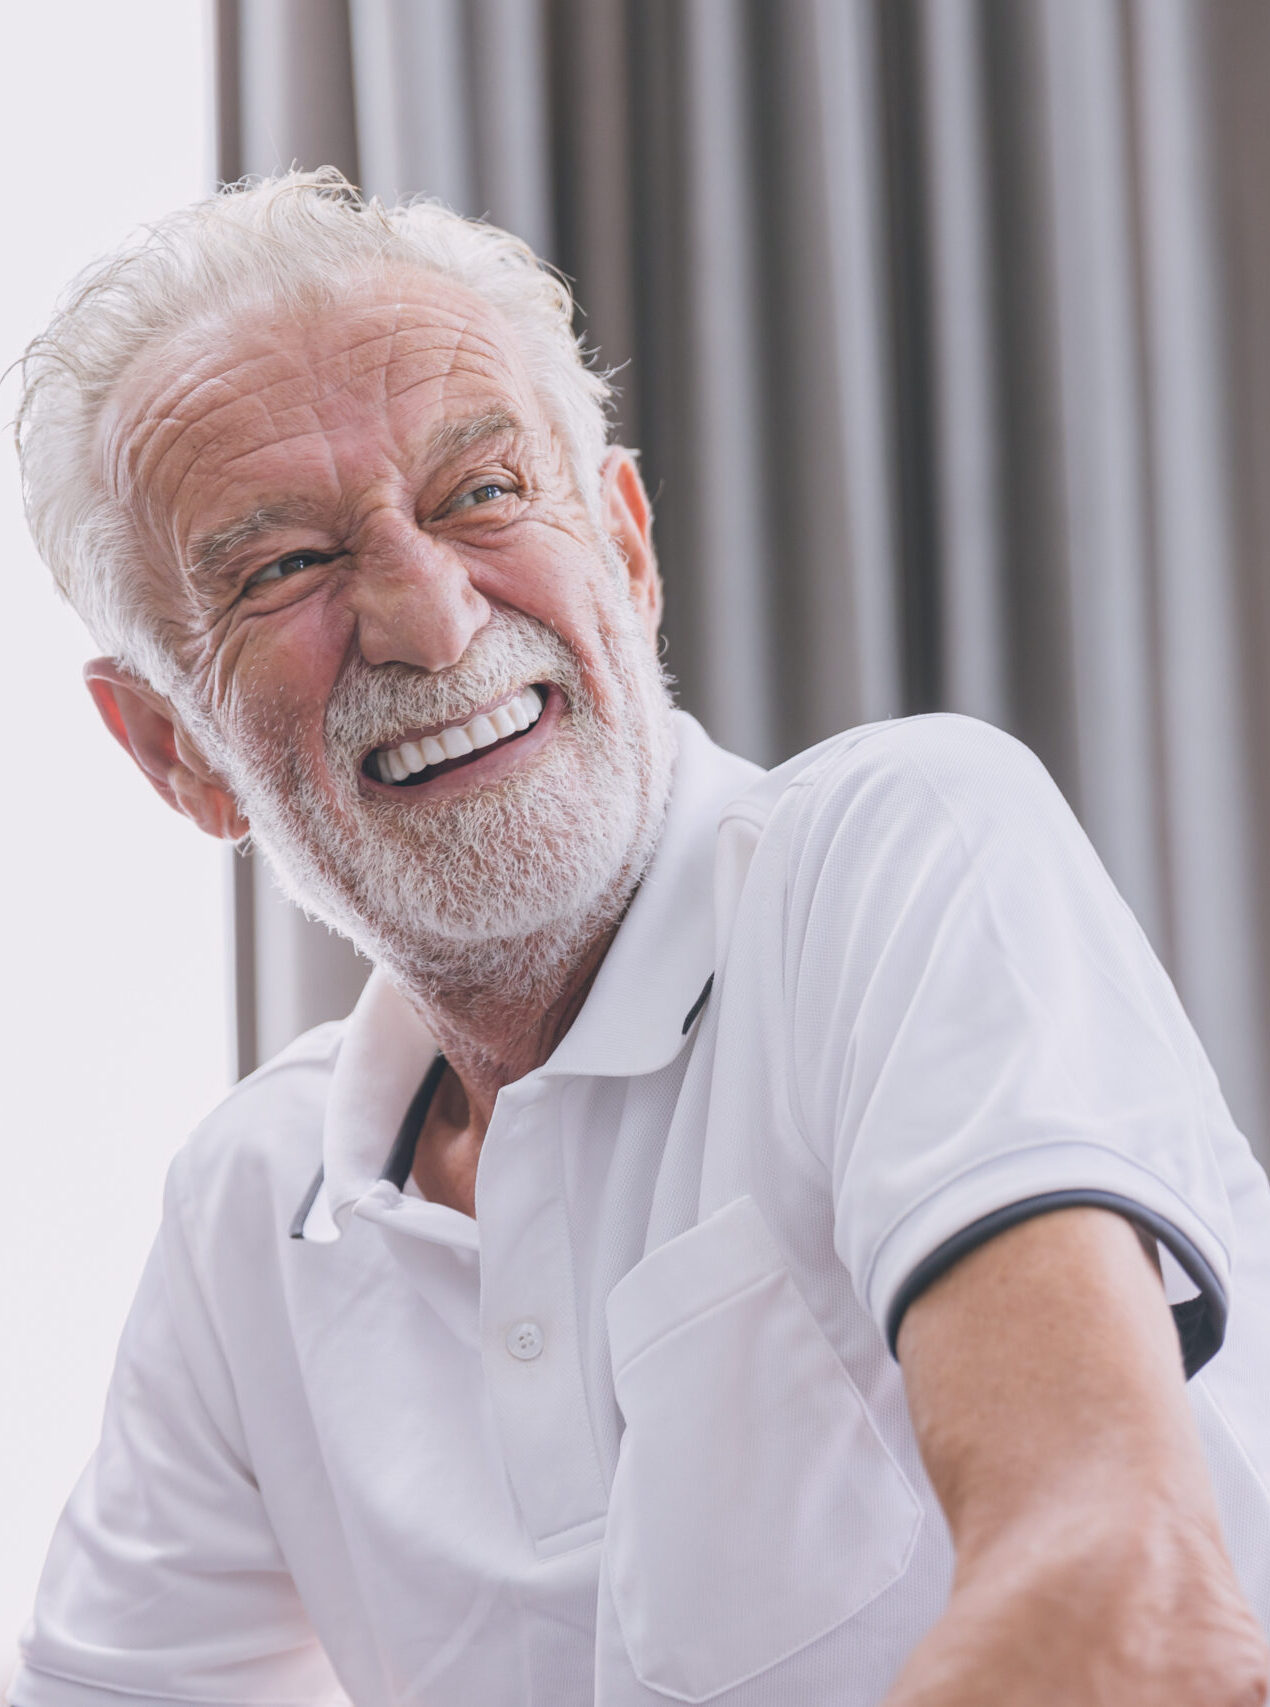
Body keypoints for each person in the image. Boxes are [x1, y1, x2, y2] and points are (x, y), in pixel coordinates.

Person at [11, 168, 1270, 1707]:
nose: (429, 615)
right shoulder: (251, 1211)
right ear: (171, 752)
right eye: (284, 568)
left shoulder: (892, 851)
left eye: (481, 493)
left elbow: (1128, 1610)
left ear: (625, 546)